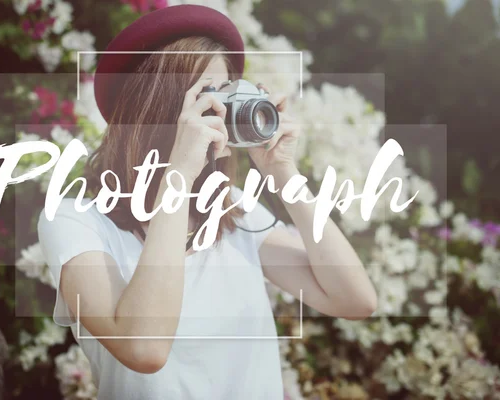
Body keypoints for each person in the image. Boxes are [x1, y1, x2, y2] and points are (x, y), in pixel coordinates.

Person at [37, 5, 377, 400]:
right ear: (154, 106)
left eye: (226, 92)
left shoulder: (233, 210)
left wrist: (284, 173)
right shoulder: (75, 222)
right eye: (205, 96)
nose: (220, 110)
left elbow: (355, 300)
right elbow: (144, 349)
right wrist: (176, 176)